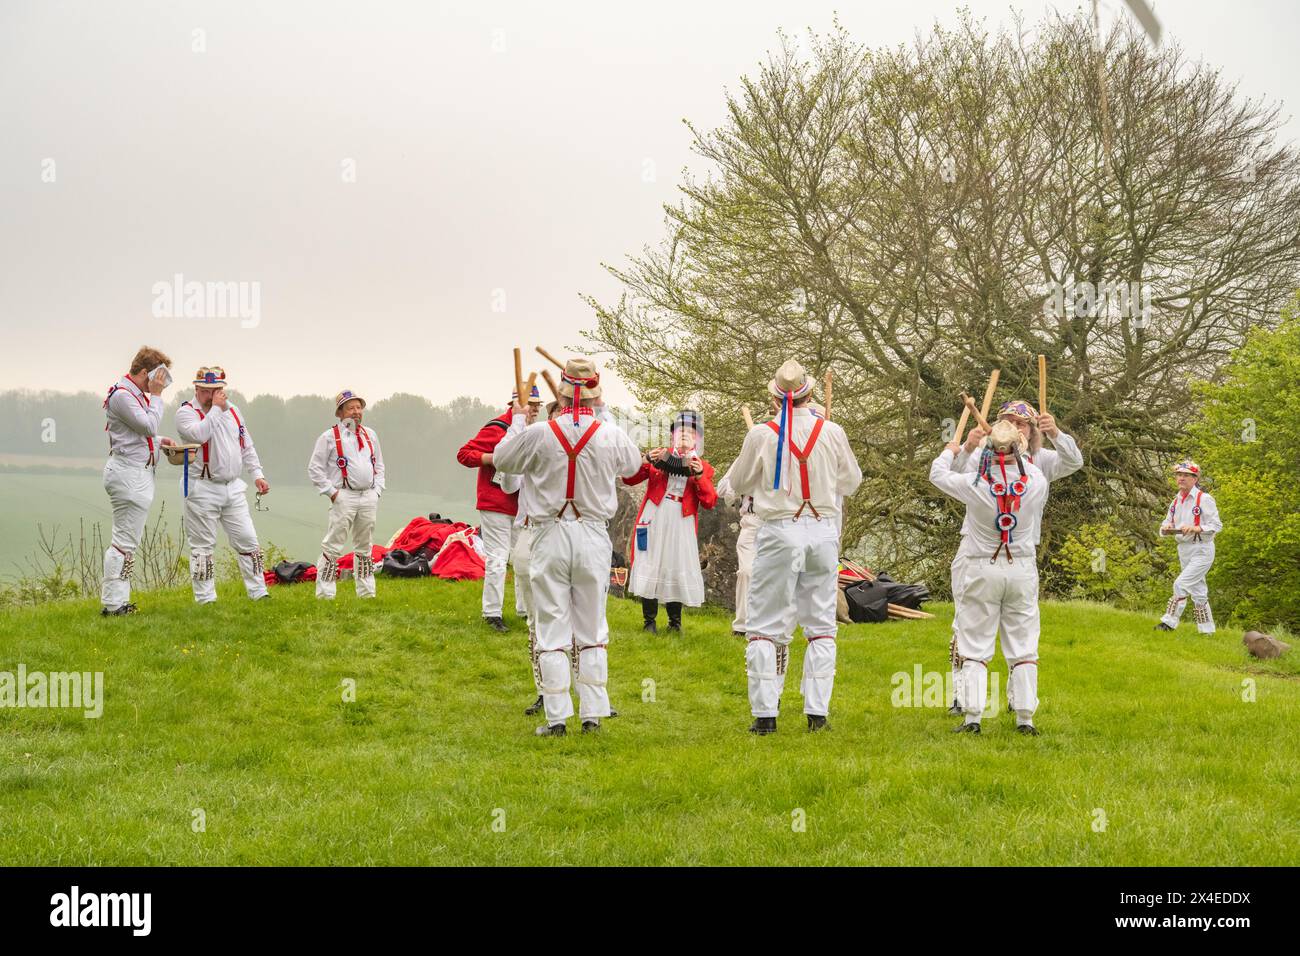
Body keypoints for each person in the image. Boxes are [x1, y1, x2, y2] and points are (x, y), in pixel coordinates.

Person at [492, 357, 642, 736]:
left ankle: (557, 718)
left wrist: (517, 420)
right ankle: (593, 713)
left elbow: (502, 460)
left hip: (550, 533)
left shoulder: (540, 433)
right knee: (592, 627)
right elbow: (633, 465)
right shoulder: (608, 433)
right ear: (595, 394)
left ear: (561, 391)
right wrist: (604, 414)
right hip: (592, 535)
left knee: (552, 627)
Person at [724, 359, 863, 734]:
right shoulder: (832, 431)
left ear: (774, 398)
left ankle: (765, 715)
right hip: (821, 531)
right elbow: (851, 481)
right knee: (820, 626)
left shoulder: (762, 435)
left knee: (765, 626)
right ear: (810, 394)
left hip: (780, 530)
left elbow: (737, 481)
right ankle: (817, 715)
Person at [948, 398, 1082, 714]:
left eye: (1022, 423)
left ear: (1033, 429)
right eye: (1009, 421)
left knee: (1017, 632)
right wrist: (966, 447)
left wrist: (1057, 433)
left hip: (1019, 553)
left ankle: (1015, 699)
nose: (1015, 427)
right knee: (963, 624)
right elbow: (951, 473)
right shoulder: (982, 454)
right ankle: (959, 694)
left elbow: (1074, 461)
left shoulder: (1042, 460)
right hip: (974, 550)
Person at [930, 419, 1049, 735]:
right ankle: (1025, 719)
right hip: (1021, 567)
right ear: (1017, 450)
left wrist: (953, 449)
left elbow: (937, 474)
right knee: (1023, 645)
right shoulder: (1036, 481)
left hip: (982, 566)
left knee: (976, 643)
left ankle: (972, 718)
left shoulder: (974, 484)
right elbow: (1026, 467)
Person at [174, 367, 271, 604]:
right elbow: (200, 435)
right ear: (196, 389)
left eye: (217, 390)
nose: (213, 395)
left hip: (233, 487)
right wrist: (216, 409)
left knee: (249, 541)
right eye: (207, 391)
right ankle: (206, 598)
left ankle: (259, 592)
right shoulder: (185, 413)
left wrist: (257, 474)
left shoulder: (234, 411)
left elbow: (246, 444)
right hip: (202, 486)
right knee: (202, 547)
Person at [623, 410, 717, 633]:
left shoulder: (703, 465)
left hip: (681, 519)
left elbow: (710, 501)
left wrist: (700, 476)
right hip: (654, 513)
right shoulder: (659, 456)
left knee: (676, 564)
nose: (684, 434)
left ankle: (675, 623)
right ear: (673, 435)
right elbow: (629, 478)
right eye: (680, 430)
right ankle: (649, 622)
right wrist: (645, 459)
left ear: (697, 438)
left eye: (690, 431)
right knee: (651, 561)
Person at [100, 346, 175, 615]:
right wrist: (156, 396)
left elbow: (141, 434)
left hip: (135, 472)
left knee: (126, 543)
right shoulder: (123, 395)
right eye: (156, 377)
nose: (159, 384)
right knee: (123, 544)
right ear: (145, 372)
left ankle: (118, 602)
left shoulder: (131, 394)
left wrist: (159, 442)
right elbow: (147, 425)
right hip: (129, 474)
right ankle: (113, 605)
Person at [456, 389, 525, 632]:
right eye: (530, 404)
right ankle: (492, 613)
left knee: (522, 559)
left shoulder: (533, 431)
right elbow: (464, 454)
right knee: (497, 559)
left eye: (537, 404)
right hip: (494, 502)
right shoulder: (497, 428)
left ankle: (524, 610)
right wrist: (493, 458)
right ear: (514, 404)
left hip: (520, 506)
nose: (535, 409)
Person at [308, 389, 386, 600]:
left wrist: (377, 490)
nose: (356, 412)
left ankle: (367, 593)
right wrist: (332, 493)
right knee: (333, 545)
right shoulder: (329, 437)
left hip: (368, 496)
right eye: (351, 408)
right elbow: (315, 468)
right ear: (340, 412)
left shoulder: (371, 435)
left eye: (359, 407)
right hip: (344, 496)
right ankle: (325, 594)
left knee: (365, 546)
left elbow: (379, 464)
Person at [1156, 460, 1222, 634]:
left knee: (1181, 584)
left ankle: (1168, 623)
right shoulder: (1176, 501)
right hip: (1184, 549)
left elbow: (1216, 525)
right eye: (1179, 475)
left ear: (1195, 478)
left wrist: (1197, 528)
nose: (1181, 478)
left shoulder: (1204, 499)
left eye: (1186, 475)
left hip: (1202, 548)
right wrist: (1166, 527)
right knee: (1199, 591)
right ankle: (1207, 630)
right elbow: (1166, 522)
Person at [716, 473, 761, 637]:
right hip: (751, 522)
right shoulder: (746, 458)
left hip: (778, 523)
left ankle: (769, 624)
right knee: (746, 572)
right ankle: (742, 626)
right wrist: (742, 481)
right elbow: (722, 490)